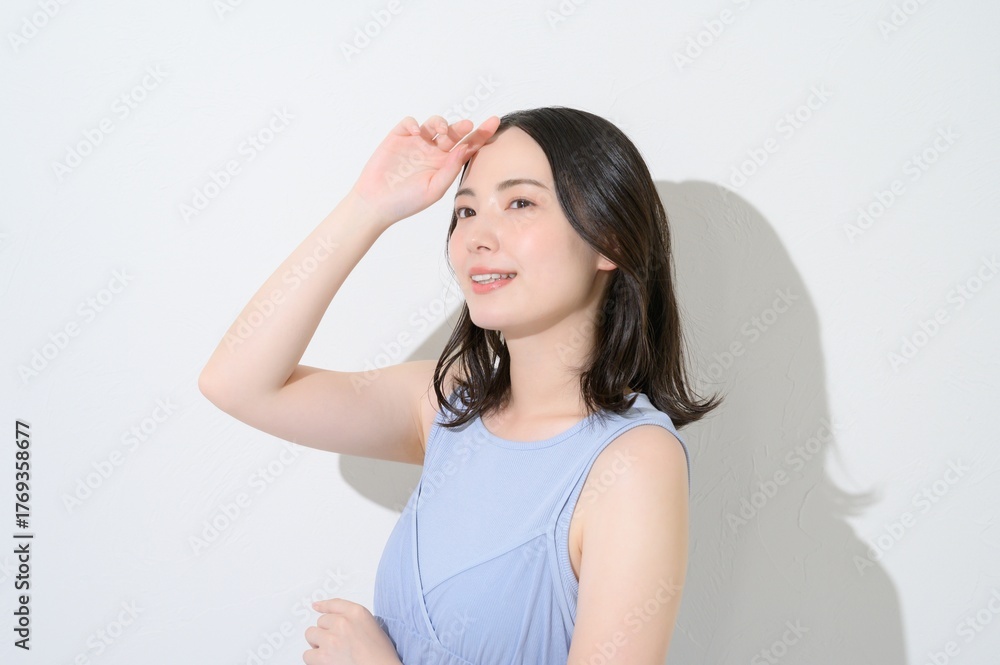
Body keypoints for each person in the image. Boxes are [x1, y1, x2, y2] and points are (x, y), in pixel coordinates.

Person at [198, 106, 722, 665]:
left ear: (609, 239)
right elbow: (237, 383)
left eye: (520, 203)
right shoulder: (450, 404)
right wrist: (369, 206)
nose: (475, 236)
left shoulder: (634, 462)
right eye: (466, 210)